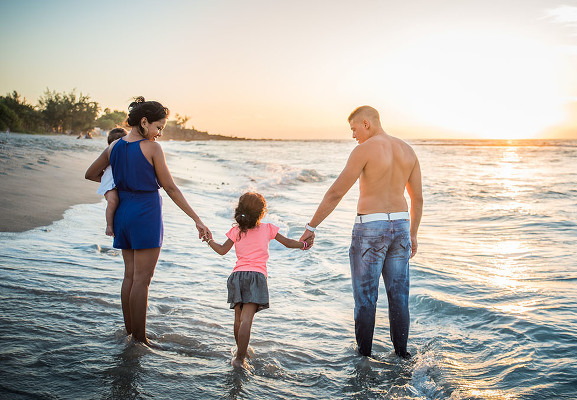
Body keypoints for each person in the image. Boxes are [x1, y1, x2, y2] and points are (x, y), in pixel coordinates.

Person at [85, 97, 211, 345]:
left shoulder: (114, 147)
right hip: (146, 213)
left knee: (130, 276)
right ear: (144, 122)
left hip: (123, 213)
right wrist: (197, 219)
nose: (160, 134)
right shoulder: (152, 149)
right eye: (158, 127)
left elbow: (91, 174)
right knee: (142, 279)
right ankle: (140, 340)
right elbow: (171, 188)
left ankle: (130, 332)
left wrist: (114, 188)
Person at [299, 106, 423, 358]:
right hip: (400, 225)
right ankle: (402, 356)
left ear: (366, 123)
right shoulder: (408, 150)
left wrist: (311, 226)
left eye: (354, 129)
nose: (353, 135)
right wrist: (413, 233)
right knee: (399, 297)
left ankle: (363, 359)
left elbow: (336, 192)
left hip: (371, 228)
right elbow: (417, 198)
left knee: (366, 299)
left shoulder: (364, 150)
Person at [204, 192, 311, 368]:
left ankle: (241, 351)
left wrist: (209, 240)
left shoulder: (236, 231)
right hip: (256, 276)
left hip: (237, 276)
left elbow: (222, 250)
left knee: (238, 319)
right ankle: (240, 359)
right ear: (261, 213)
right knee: (247, 320)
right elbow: (288, 243)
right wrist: (304, 244)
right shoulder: (268, 228)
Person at [97, 127, 128, 237]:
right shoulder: (110, 154)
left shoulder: (127, 154)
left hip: (117, 183)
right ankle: (109, 225)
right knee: (113, 201)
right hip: (110, 184)